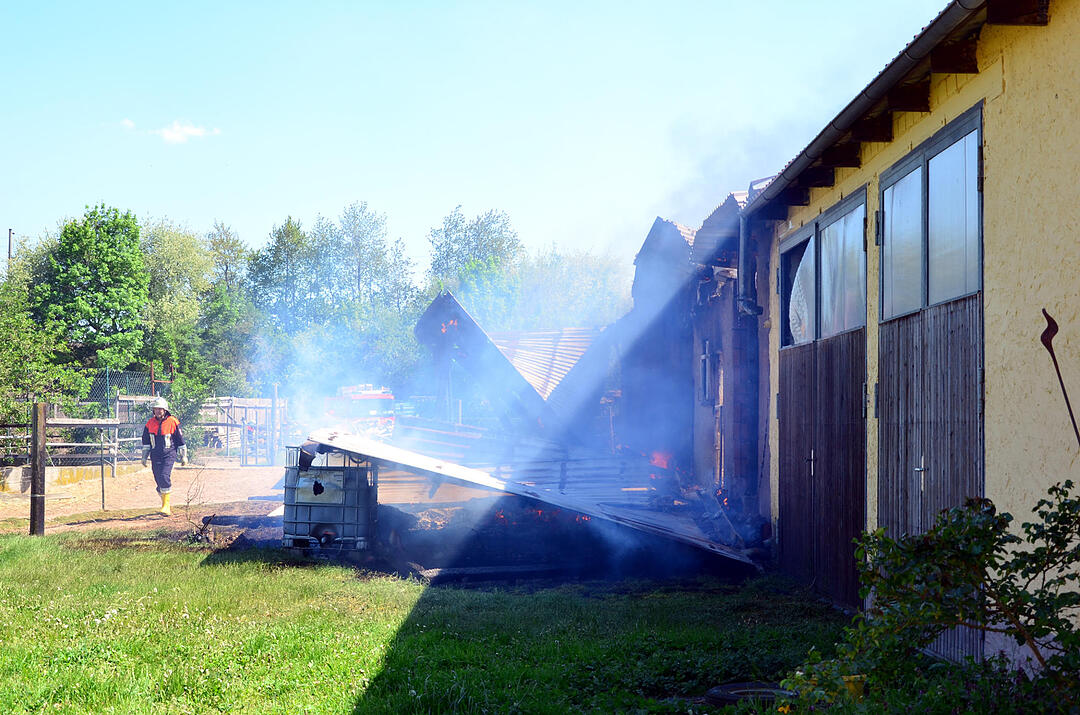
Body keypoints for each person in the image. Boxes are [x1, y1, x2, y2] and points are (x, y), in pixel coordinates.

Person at [141, 396, 188, 515]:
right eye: (156, 409)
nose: (158, 411)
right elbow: (146, 442)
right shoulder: (149, 423)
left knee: (164, 476)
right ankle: (165, 504)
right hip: (155, 455)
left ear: (165, 410)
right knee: (158, 480)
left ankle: (166, 506)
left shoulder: (173, 421)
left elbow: (180, 440)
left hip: (169, 454)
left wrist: (183, 456)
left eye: (160, 409)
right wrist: (144, 457)